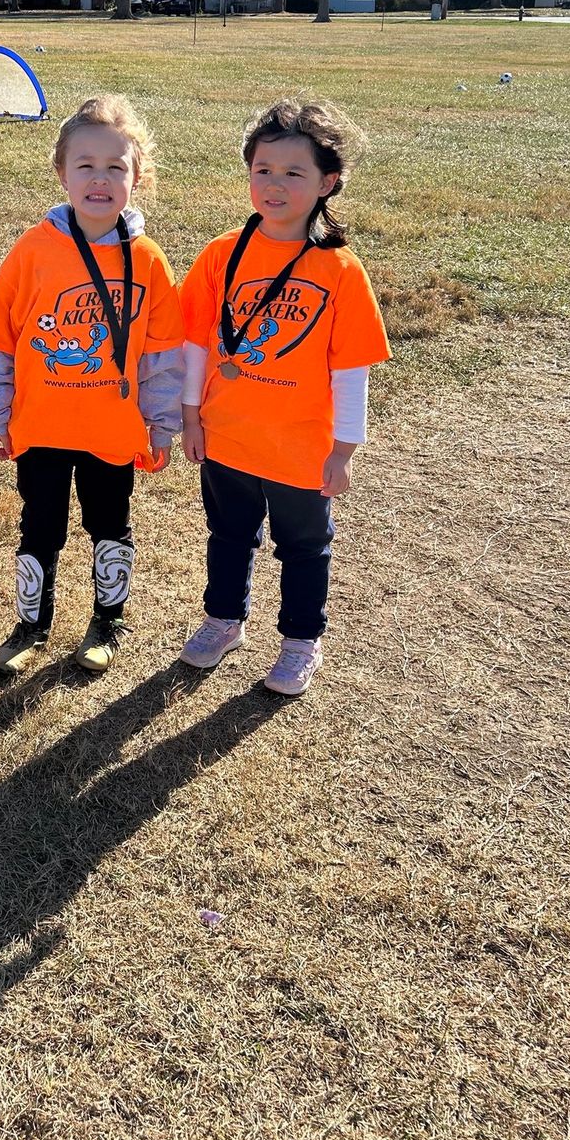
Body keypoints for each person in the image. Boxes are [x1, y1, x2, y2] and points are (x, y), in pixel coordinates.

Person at [178, 98, 391, 697]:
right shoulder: (222, 254)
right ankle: (224, 619)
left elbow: (352, 370)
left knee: (302, 547)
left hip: (301, 448)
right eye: (262, 171)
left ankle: (301, 639)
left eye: (294, 174)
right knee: (228, 535)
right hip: (227, 437)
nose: (274, 185)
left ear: (327, 183)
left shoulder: (340, 271)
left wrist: (343, 449)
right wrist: (190, 416)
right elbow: (196, 342)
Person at [0, 94, 183, 677]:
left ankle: (108, 620)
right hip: (40, 426)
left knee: (110, 524)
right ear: (61, 172)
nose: (100, 179)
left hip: (111, 430)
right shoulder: (34, 251)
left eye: (116, 167)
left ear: (137, 177)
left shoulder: (150, 261)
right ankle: (31, 625)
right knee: (40, 525)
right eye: (85, 165)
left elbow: (163, 357)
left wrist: (162, 423)